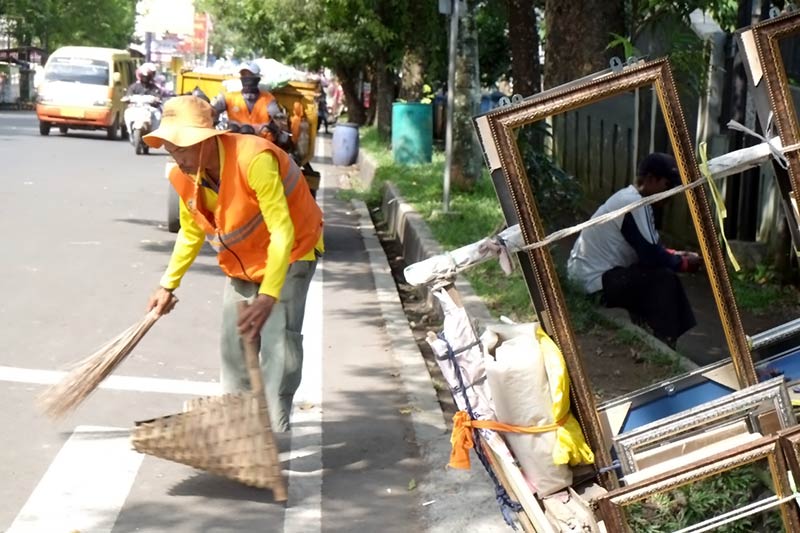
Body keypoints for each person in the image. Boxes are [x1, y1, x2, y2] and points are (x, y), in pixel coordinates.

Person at [142, 95, 323, 432]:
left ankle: (272, 431)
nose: (176, 156)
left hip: (293, 252)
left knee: (277, 347)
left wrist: (269, 295)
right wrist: (168, 284)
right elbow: (190, 231)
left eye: (181, 146)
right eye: (170, 147)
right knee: (233, 344)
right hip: (243, 264)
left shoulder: (254, 159)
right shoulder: (185, 177)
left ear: (207, 140)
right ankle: (240, 431)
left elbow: (282, 230)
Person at [567, 152, 700, 349]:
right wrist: (685, 263)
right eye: (668, 185)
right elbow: (651, 255)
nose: (671, 193)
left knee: (647, 274)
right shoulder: (636, 203)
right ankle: (664, 343)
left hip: (587, 278)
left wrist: (676, 256)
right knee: (663, 278)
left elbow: (649, 249)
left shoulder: (628, 198)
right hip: (594, 282)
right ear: (650, 179)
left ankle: (649, 332)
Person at [211, 62, 291, 150]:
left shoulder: (267, 99)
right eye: (244, 75)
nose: (247, 79)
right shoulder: (230, 97)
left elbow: (279, 119)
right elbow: (212, 112)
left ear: (257, 78)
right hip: (234, 144)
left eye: (250, 75)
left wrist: (284, 133)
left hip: (262, 145)